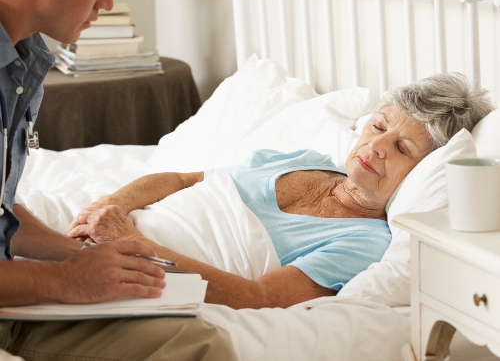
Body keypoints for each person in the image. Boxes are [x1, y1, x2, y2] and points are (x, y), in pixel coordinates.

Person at [0, 0, 237, 361]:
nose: (108, 3)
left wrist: (74, 254)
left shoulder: (21, 60)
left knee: (192, 335)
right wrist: (66, 281)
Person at [68, 72, 495, 310]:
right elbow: (179, 181)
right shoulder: (300, 157)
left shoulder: (366, 242)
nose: (376, 146)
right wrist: (111, 204)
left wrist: (131, 243)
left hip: (132, 268)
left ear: (422, 174)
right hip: (101, 234)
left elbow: (260, 298)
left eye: (402, 147)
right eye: (378, 126)